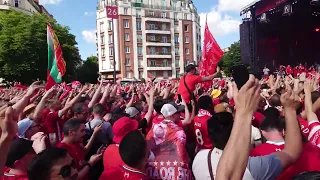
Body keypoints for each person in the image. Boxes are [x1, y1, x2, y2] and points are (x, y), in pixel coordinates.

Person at [216, 76, 303, 180]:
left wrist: (243, 112)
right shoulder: (252, 167)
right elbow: (291, 152)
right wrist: (290, 109)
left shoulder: (199, 159)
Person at [146, 102, 192, 180]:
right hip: (172, 172)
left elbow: (147, 150)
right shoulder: (178, 132)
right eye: (178, 113)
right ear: (172, 116)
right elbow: (181, 156)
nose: (180, 115)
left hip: (154, 171)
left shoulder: (154, 128)